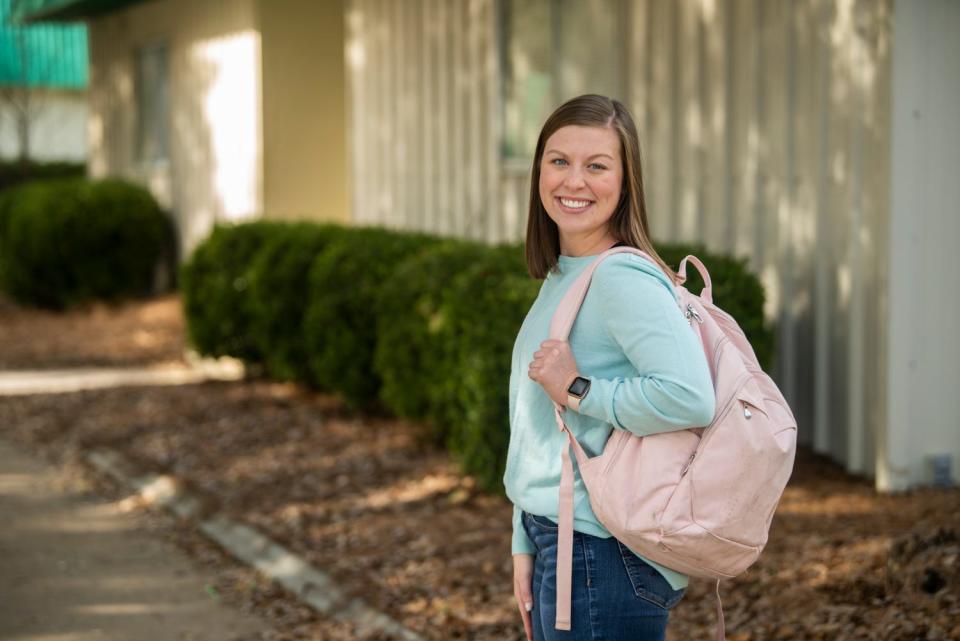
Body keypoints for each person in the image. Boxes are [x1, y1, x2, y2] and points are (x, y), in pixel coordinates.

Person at [504, 94, 716, 641]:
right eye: (559, 161)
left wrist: (577, 387)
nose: (574, 181)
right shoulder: (565, 272)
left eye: (596, 166)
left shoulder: (620, 278)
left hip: (602, 553)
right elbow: (538, 429)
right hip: (561, 536)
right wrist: (524, 537)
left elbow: (689, 397)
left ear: (625, 182)